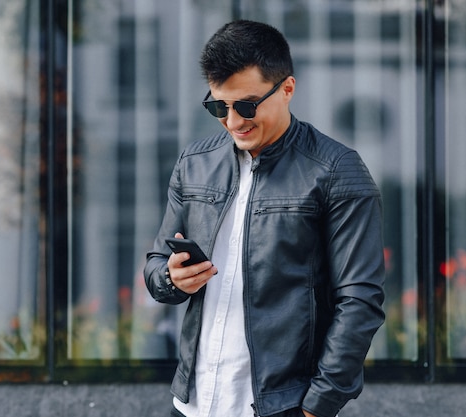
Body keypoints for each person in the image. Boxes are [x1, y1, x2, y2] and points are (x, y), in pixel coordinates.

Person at [143, 20, 385, 417]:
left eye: (248, 105)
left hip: (281, 407)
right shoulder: (194, 164)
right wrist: (172, 278)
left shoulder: (337, 171)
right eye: (219, 107)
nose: (234, 121)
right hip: (191, 404)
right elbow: (156, 269)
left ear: (287, 89)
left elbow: (360, 300)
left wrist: (317, 406)